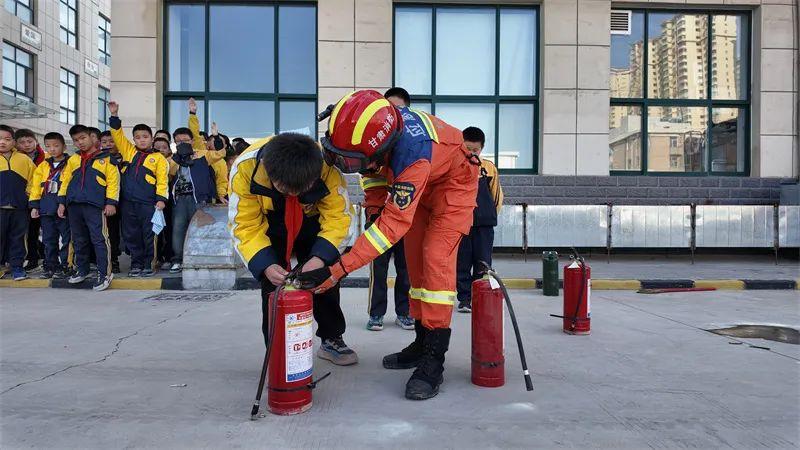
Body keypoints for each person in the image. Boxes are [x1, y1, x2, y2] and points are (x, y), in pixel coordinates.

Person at [295, 90, 479, 400]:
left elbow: (391, 227)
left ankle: (434, 359)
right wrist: (374, 212)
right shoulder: (373, 125)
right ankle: (421, 342)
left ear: (383, 148)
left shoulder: (412, 153)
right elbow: (374, 175)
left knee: (435, 261)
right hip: (423, 183)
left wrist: (338, 269)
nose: (343, 165)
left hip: (453, 187)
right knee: (416, 265)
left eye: (349, 160)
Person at [229, 133, 358, 366]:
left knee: (324, 280)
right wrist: (265, 264)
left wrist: (320, 258)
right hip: (270, 224)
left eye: (301, 189)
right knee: (273, 285)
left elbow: (339, 217)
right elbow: (244, 225)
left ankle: (331, 338)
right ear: (268, 171)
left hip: (312, 220)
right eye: (286, 189)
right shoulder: (245, 168)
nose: (294, 195)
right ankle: (276, 348)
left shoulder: (326, 166)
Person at [363, 88, 414, 332]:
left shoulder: (413, 144)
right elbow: (369, 178)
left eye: (399, 109)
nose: (394, 113)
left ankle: (404, 313)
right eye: (390, 109)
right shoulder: (375, 141)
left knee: (406, 269)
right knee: (378, 269)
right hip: (379, 216)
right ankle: (376, 314)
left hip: (405, 216)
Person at [108, 101, 169, 277]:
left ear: (152, 139)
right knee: (131, 234)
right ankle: (136, 264)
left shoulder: (159, 158)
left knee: (149, 234)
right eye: (138, 137)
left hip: (149, 203)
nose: (142, 140)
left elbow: (162, 181)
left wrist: (161, 200)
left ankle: (149, 263)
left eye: (145, 136)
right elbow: (117, 135)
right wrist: (114, 116)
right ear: (133, 139)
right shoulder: (129, 151)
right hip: (128, 203)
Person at [57, 124, 120, 291]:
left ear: (92, 138)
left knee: (99, 239)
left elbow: (114, 182)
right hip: (74, 205)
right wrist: (62, 202)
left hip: (95, 205)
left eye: (83, 138)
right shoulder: (73, 159)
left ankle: (105, 273)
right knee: (78, 240)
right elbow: (65, 182)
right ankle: (82, 269)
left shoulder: (107, 159)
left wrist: (111, 202)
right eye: (76, 140)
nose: (80, 142)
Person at [167, 98, 226, 273]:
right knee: (178, 229)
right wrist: (179, 158)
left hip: (199, 199)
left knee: (202, 228)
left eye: (186, 140)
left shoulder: (202, 155)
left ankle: (200, 256)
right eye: (178, 141)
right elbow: (168, 173)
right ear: (174, 143)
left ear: (193, 141)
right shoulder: (173, 159)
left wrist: (215, 136)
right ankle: (178, 260)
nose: (182, 143)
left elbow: (220, 153)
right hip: (180, 200)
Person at [455, 127, 503, 313]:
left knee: (483, 263)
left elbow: (496, 197)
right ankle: (464, 299)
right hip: (462, 224)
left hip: (484, 226)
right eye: (468, 149)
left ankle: (479, 297)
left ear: (482, 148)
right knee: (462, 263)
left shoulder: (488, 168)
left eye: (476, 150)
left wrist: (488, 215)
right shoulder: (455, 167)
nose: (472, 153)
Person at [29, 132, 71, 279]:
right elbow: (36, 187)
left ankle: (66, 265)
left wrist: (62, 203)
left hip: (63, 209)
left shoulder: (71, 163)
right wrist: (35, 206)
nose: (52, 149)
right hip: (46, 208)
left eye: (56, 146)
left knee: (67, 240)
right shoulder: (43, 165)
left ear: (64, 147)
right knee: (48, 239)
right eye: (48, 146)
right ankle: (50, 265)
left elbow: (68, 186)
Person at [0, 125, 36, 281]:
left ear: (14, 142)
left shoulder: (24, 159)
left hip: (20, 208)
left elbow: (34, 179)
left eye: (7, 139)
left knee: (19, 239)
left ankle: (17, 268)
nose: (2, 142)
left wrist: (27, 196)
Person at [14, 128, 45, 271]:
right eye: (22, 142)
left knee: (44, 230)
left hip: (43, 199)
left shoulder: (45, 157)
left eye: (29, 141)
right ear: (16, 144)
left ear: (36, 142)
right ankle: (32, 258)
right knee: (29, 231)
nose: (26, 145)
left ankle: (43, 255)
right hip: (22, 200)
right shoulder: (14, 158)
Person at [100, 130, 122, 273]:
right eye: (104, 142)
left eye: (111, 141)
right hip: (108, 201)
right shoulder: (99, 159)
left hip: (125, 200)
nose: (108, 144)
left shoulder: (126, 157)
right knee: (110, 232)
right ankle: (112, 259)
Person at [153, 137, 174, 266]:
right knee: (156, 229)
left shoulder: (174, 162)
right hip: (153, 199)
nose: (161, 150)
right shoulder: (149, 160)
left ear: (170, 150)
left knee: (169, 229)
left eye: (164, 147)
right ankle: (157, 256)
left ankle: (168, 256)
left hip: (169, 200)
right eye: (157, 148)